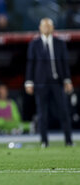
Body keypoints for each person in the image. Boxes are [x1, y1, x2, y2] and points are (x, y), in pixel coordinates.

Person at [25, 18, 73, 147]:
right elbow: (31, 64)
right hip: (41, 83)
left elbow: (64, 64)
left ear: (53, 28)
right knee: (42, 113)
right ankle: (44, 141)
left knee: (64, 111)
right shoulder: (34, 44)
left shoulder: (59, 43)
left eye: (48, 26)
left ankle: (68, 140)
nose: (46, 28)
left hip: (57, 81)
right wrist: (29, 81)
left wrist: (67, 80)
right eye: (44, 26)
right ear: (40, 28)